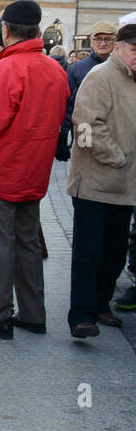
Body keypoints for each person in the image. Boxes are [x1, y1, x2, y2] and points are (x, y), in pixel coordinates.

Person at [0, 0, 69, 339]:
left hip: (4, 169)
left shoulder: (7, 68)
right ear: (38, 30)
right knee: (27, 242)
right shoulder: (55, 69)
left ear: (5, 31)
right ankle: (33, 313)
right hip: (36, 169)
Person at [65, 21, 136, 337]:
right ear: (119, 48)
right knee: (89, 253)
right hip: (95, 182)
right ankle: (82, 316)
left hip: (125, 185)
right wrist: (118, 158)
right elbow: (85, 127)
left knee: (115, 252)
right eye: (134, 50)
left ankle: (100, 304)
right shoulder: (100, 76)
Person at [58, 25, 115, 162]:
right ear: (91, 40)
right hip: (85, 130)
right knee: (86, 168)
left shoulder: (124, 67)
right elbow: (67, 104)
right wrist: (62, 137)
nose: (103, 43)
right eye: (98, 39)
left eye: (108, 39)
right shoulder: (77, 69)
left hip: (116, 131)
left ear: (115, 41)